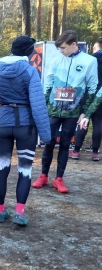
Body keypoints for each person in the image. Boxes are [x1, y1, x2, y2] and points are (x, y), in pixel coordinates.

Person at [0, 35, 51, 226]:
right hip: (25, 127)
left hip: (2, 126)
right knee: (24, 169)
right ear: (30, 52)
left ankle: (0, 212)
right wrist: (46, 135)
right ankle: (19, 213)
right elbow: (38, 105)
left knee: (2, 168)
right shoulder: (31, 72)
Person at [32, 30, 100, 193]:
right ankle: (43, 175)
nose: (61, 51)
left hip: (73, 112)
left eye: (63, 48)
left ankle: (59, 179)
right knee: (48, 142)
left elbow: (92, 88)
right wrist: (43, 107)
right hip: (53, 110)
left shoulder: (89, 61)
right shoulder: (56, 61)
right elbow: (48, 85)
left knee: (64, 143)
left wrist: (86, 113)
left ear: (74, 44)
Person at [69, 38, 102, 161]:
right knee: (98, 122)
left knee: (83, 121)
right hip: (101, 95)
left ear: (95, 47)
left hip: (89, 93)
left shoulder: (89, 59)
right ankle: (95, 153)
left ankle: (76, 151)